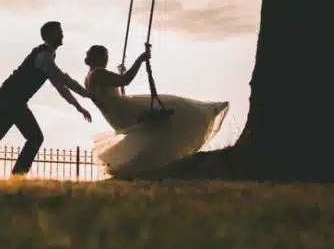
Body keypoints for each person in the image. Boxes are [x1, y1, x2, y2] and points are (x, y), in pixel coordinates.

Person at [0, 21, 92, 178]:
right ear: (50, 35)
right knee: (35, 137)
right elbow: (63, 79)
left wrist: (79, 107)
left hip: (9, 97)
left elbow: (61, 87)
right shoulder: (44, 57)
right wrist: (86, 93)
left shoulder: (47, 57)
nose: (62, 34)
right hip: (12, 99)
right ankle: (17, 176)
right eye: (59, 31)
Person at [83, 43, 229, 176]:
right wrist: (140, 59)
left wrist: (122, 73)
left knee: (161, 123)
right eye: (105, 57)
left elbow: (113, 94)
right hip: (125, 111)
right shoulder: (98, 73)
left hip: (117, 116)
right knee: (174, 106)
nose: (107, 60)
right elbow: (125, 80)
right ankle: (204, 115)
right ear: (98, 57)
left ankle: (157, 163)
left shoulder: (89, 77)